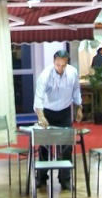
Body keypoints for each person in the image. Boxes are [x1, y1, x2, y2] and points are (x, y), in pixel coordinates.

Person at [33, 49, 82, 190]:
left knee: (66, 147)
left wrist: (79, 108)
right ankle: (41, 178)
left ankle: (65, 179)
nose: (60, 68)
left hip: (65, 112)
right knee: (44, 146)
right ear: (54, 62)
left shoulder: (72, 72)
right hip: (48, 112)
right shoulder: (45, 75)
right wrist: (41, 116)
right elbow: (38, 97)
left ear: (67, 63)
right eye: (58, 65)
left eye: (63, 65)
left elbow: (76, 90)